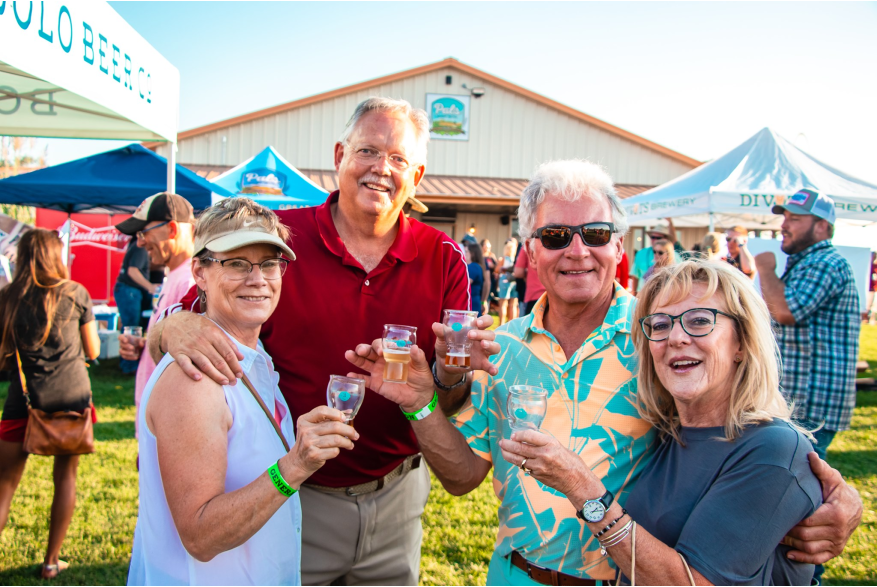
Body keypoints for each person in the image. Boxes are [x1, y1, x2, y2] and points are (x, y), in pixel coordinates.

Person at [346, 160, 863, 586]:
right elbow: (463, 479)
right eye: (555, 235)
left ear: (618, 247)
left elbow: (750, 433)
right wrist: (420, 401)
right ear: (531, 252)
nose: (577, 250)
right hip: (515, 575)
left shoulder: (661, 338)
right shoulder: (497, 349)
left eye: (595, 233)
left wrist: (840, 498)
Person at [141, 97, 498, 586]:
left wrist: (452, 374)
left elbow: (450, 401)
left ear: (416, 177)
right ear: (339, 156)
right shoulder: (281, 241)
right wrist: (169, 327)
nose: (381, 169)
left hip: (397, 493)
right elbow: (179, 321)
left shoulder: (445, 257)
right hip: (296, 489)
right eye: (368, 151)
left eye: (398, 159)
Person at [500, 260, 823, 585]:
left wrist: (581, 487)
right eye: (660, 325)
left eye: (699, 321)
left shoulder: (772, 449)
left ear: (741, 342)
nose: (676, 338)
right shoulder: (667, 432)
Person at [128, 198, 356, 585]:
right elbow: (200, 536)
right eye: (236, 263)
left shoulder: (255, 355)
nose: (258, 279)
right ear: (199, 271)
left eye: (269, 263)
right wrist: (295, 466)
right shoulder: (194, 378)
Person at [0, 229, 100, 580]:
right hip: (71, 398)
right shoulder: (76, 294)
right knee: (66, 478)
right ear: (55, 256)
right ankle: (51, 562)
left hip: (23, 402)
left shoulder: (8, 296)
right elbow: (94, 351)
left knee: (4, 486)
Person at [755, 188, 860, 462]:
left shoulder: (825, 262)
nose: (784, 226)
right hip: (802, 399)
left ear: (822, 226)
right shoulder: (808, 263)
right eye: (785, 217)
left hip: (810, 402)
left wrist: (765, 268)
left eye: (795, 219)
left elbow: (786, 312)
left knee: (802, 484)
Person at [116, 193, 196, 437]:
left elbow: (192, 362)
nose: (140, 243)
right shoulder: (175, 276)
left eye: (144, 233)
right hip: (157, 426)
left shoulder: (190, 282)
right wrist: (147, 345)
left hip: (168, 430)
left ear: (171, 229)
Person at [114, 238, 157, 374]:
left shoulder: (136, 246)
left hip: (130, 291)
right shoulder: (140, 247)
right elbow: (133, 271)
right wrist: (150, 287)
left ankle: (131, 364)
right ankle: (129, 366)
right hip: (129, 290)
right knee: (132, 329)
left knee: (134, 328)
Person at [629, 218, 685, 292]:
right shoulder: (641, 254)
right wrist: (634, 295)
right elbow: (635, 276)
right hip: (644, 295)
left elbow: (681, 280)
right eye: (652, 237)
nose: (655, 240)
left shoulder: (676, 257)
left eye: (658, 238)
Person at [513, 242, 546, 316]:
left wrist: (528, 272)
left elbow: (518, 272)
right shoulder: (559, 244)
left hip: (534, 295)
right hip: (554, 296)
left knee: (530, 325)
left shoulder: (529, 245)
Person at [495, 238, 518, 324]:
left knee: (503, 304)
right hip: (514, 281)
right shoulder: (515, 259)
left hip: (504, 280)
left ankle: (501, 324)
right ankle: (512, 324)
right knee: (513, 304)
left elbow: (497, 270)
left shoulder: (504, 259)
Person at [465, 243, 485, 314]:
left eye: (466, 251)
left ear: (472, 253)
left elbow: (465, 283)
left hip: (472, 301)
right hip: (473, 300)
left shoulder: (473, 266)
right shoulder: (475, 266)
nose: (465, 253)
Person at [481, 239, 498, 314]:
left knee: (487, 297)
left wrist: (493, 266)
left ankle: (485, 312)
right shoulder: (480, 256)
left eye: (489, 247)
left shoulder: (492, 256)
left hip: (490, 279)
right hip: (481, 279)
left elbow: (497, 267)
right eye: (486, 246)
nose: (488, 248)